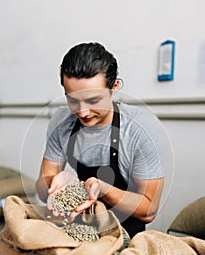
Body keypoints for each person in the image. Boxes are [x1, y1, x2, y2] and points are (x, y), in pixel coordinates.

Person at [36, 42, 167, 238]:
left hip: (126, 237)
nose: (83, 112)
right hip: (80, 228)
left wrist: (103, 188)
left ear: (114, 86)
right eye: (72, 100)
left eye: (93, 100)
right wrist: (60, 181)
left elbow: (149, 209)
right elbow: (41, 187)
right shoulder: (62, 123)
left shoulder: (141, 129)